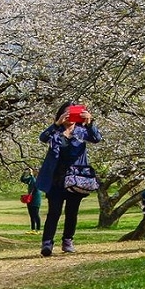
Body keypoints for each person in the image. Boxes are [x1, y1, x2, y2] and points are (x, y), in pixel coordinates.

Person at [36, 102, 103, 257]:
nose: (70, 116)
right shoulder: (56, 130)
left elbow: (97, 138)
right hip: (56, 178)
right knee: (54, 211)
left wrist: (90, 122)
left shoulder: (82, 131)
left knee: (72, 212)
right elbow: (43, 138)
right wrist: (57, 124)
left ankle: (67, 241)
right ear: (61, 114)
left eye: (74, 113)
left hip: (75, 178)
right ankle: (47, 243)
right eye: (67, 113)